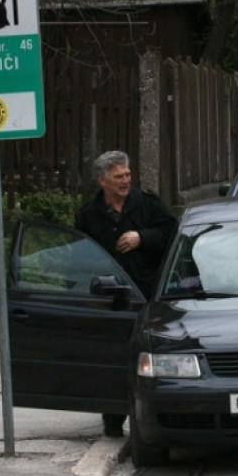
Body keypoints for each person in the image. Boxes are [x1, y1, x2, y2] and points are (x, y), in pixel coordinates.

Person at [75, 150, 178, 438]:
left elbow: (172, 232)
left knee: (147, 358)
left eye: (128, 175)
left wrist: (141, 237)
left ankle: (154, 415)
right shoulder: (89, 215)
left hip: (146, 295)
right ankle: (112, 421)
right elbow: (80, 255)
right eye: (119, 177)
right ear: (103, 181)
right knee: (112, 358)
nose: (125, 181)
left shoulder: (147, 204)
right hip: (110, 300)